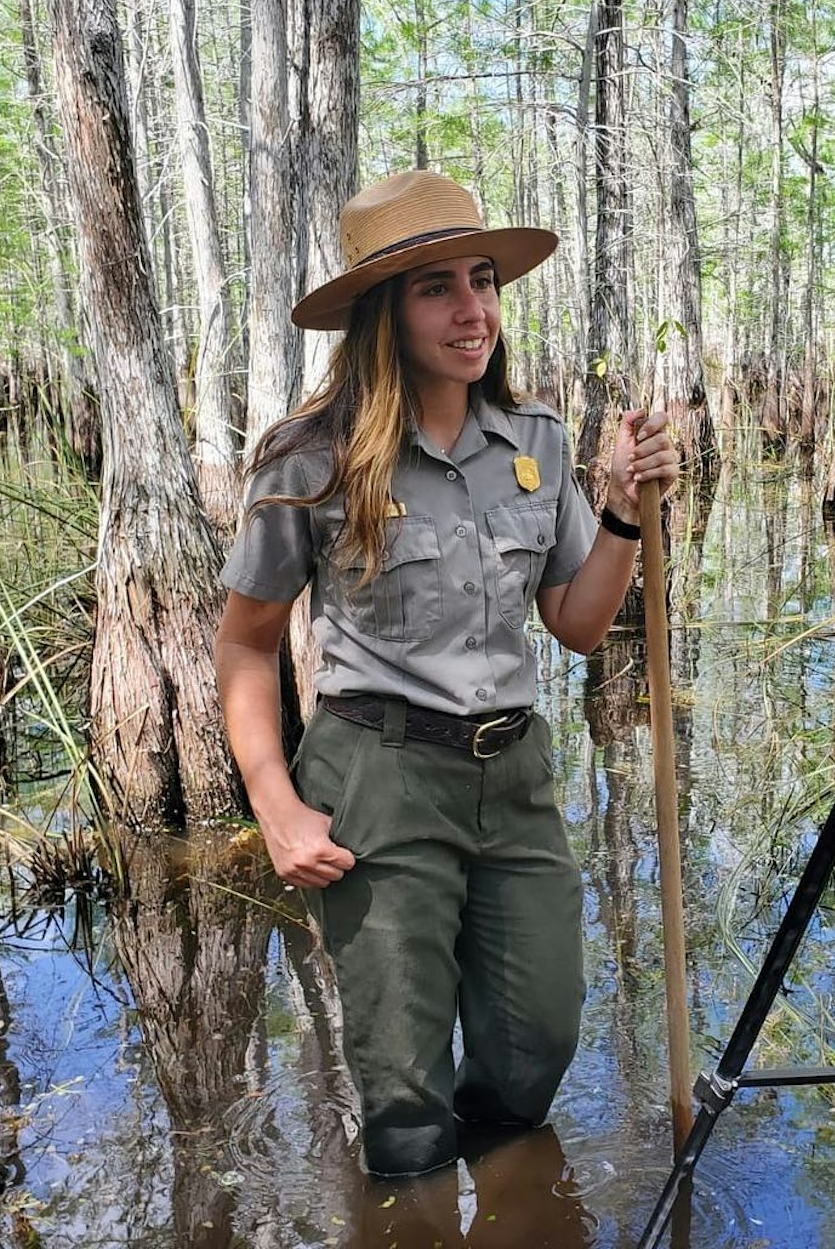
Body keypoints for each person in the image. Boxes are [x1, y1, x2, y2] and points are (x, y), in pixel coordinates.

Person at [215, 169, 678, 1178]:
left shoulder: (538, 443)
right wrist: (276, 805)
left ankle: (507, 1210)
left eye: (483, 281)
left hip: (513, 779)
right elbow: (247, 645)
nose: (473, 311)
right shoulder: (310, 459)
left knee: (533, 1049)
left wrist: (621, 512)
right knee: (405, 1100)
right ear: (384, 313)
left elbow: (578, 626)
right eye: (438, 288)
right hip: (376, 780)